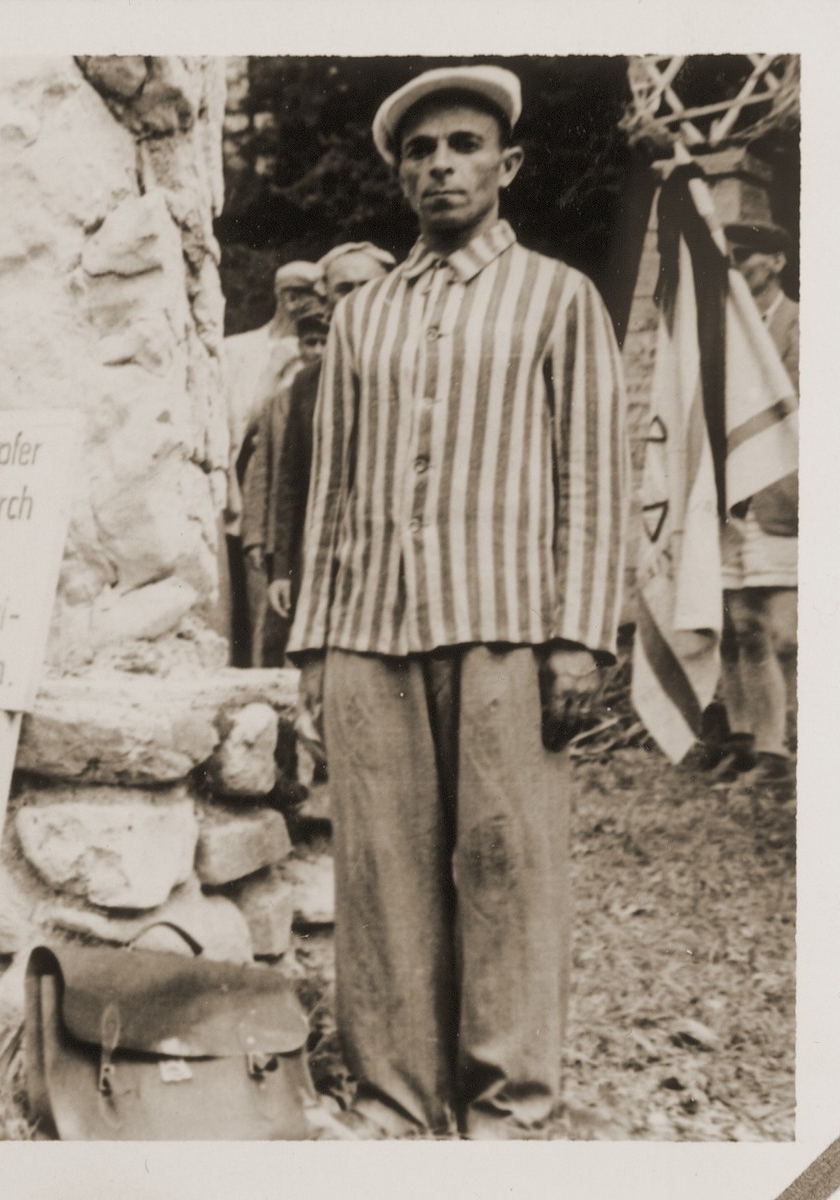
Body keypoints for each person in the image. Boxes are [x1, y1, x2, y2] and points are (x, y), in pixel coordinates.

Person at [287, 65, 628, 1139]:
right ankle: (396, 1096)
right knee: (381, 874)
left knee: (503, 866)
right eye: (421, 152)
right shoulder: (365, 318)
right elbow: (331, 489)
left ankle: (510, 1106)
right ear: (400, 175)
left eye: (464, 146)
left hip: (507, 630)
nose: (442, 165)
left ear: (506, 164)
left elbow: (596, 475)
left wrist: (580, 637)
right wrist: (312, 649)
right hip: (371, 632)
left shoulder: (559, 297)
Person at [262, 244, 397, 643]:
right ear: (327, 299)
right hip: (324, 559)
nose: (356, 297)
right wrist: (282, 571)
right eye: (344, 288)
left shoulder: (415, 370)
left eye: (367, 285)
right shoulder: (306, 384)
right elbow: (289, 481)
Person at [711, 220, 798, 787]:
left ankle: (780, 747)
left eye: (749, 255)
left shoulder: (805, 325)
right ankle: (749, 745)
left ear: (777, 262)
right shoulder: (723, 330)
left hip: (786, 495)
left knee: (782, 630)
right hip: (734, 498)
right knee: (737, 623)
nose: (739, 264)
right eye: (732, 256)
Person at [223, 260, 321, 665]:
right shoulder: (239, 352)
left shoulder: (323, 344)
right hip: (253, 486)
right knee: (256, 610)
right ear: (289, 298)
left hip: (302, 486)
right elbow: (236, 427)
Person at [240, 308, 329, 667]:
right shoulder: (284, 400)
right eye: (311, 342)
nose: (319, 349)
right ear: (300, 348)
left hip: (315, 526)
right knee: (274, 629)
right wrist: (256, 535)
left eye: (325, 341)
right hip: (282, 530)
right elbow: (264, 470)